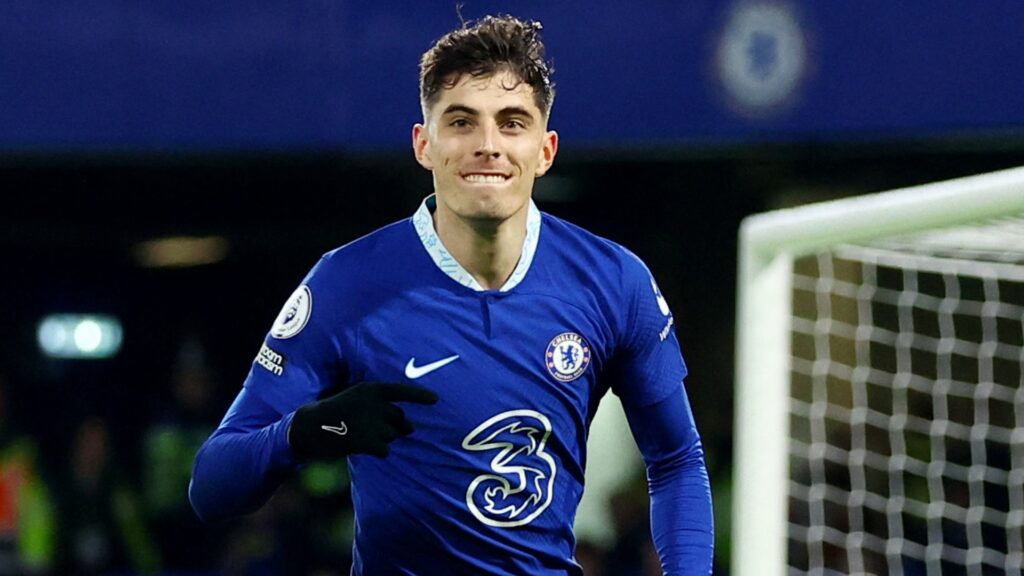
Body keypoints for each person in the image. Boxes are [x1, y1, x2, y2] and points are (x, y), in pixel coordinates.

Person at [190, 14, 713, 575]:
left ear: (545, 150)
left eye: (512, 123)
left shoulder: (613, 282)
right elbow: (212, 486)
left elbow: (677, 460)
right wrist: (303, 433)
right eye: (462, 122)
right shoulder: (348, 285)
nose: (488, 146)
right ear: (424, 144)